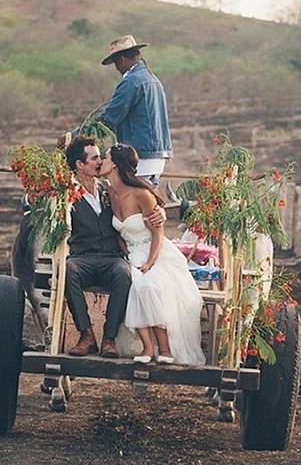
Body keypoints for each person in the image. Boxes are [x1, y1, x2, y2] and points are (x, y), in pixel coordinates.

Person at [98, 143, 205, 366]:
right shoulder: (108, 194)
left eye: (105, 157)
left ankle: (164, 348)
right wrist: (125, 251)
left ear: (115, 165)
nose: (101, 161)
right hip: (131, 253)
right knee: (134, 284)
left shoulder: (141, 194)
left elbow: (158, 232)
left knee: (149, 285)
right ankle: (147, 348)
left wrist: (150, 261)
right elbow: (117, 230)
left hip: (154, 250)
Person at [64, 136, 165, 358]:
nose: (100, 162)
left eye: (101, 157)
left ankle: (109, 339)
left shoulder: (108, 190)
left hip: (112, 257)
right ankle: (87, 335)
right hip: (82, 257)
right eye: (94, 158)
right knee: (68, 270)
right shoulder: (65, 194)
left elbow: (141, 202)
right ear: (80, 165)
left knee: (123, 272)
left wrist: (160, 213)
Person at [97, 35, 173, 187]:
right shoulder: (152, 78)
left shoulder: (132, 81)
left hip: (141, 156)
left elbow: (110, 117)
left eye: (116, 63)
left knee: (135, 204)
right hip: (156, 155)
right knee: (146, 202)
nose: (117, 68)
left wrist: (74, 135)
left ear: (122, 60)